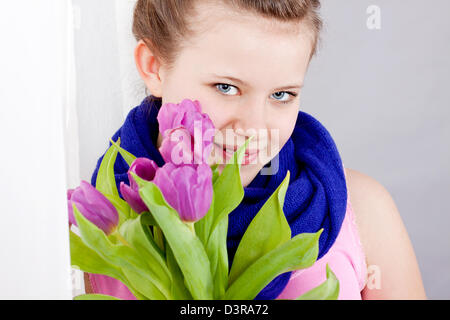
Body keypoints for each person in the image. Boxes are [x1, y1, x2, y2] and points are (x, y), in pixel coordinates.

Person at [84, 0, 426, 299]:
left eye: (281, 95)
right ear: (154, 66)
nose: (253, 129)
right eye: (226, 87)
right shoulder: (96, 226)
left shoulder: (363, 210)